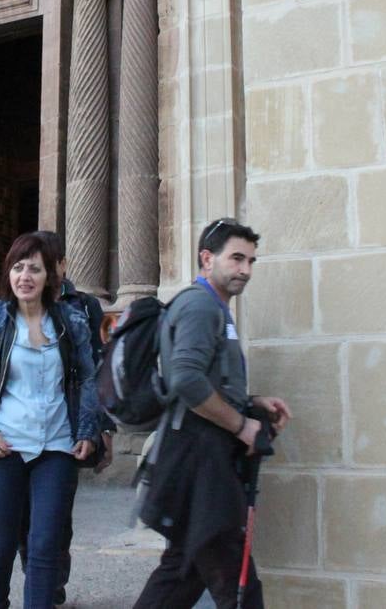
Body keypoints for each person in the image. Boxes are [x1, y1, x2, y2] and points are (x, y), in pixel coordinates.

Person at [133, 219, 293, 609]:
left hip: (198, 457)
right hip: (199, 463)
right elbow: (186, 380)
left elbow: (202, 379)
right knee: (238, 587)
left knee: (181, 574)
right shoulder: (201, 305)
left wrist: (251, 402)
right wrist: (242, 426)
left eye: (251, 261)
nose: (245, 270)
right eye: (236, 258)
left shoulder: (212, 307)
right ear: (207, 258)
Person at [0, 233, 99, 609]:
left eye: (35, 268)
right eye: (18, 267)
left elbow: (90, 377)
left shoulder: (71, 321)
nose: (25, 276)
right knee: (2, 543)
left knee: (46, 543)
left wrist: (88, 429)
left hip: (57, 447)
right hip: (5, 447)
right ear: (9, 273)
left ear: (51, 275)